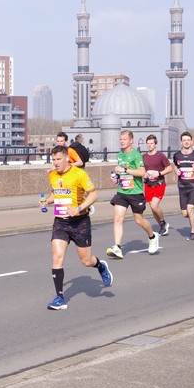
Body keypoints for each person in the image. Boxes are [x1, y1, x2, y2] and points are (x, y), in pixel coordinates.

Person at [42, 145, 113, 310]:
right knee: (57, 256)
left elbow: (94, 195)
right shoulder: (53, 175)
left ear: (67, 158)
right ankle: (60, 298)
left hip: (80, 222)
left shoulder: (79, 174)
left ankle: (101, 266)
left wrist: (78, 208)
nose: (56, 163)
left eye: (59, 159)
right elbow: (56, 193)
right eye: (53, 159)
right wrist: (47, 201)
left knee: (86, 261)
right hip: (61, 222)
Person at [106, 129, 160, 259]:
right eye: (120, 139)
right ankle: (117, 247)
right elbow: (122, 173)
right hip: (122, 192)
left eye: (124, 139)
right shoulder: (120, 154)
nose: (122, 141)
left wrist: (125, 169)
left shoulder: (136, 154)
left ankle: (152, 236)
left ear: (131, 140)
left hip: (136, 192)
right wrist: (116, 178)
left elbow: (142, 172)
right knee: (118, 219)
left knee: (139, 220)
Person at [170, 131, 194, 240]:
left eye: (188, 140)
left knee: (190, 209)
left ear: (191, 142)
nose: (186, 142)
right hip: (182, 186)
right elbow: (175, 166)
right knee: (185, 214)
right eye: (184, 140)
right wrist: (176, 171)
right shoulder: (177, 155)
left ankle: (193, 233)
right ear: (181, 142)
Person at [141, 134, 171, 236]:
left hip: (159, 184)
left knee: (154, 206)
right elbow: (141, 169)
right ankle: (162, 226)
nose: (149, 145)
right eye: (148, 143)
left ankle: (163, 223)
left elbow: (169, 168)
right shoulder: (144, 157)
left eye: (151, 143)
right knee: (153, 209)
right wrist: (144, 174)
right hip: (148, 184)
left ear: (155, 144)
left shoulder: (160, 156)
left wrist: (159, 173)